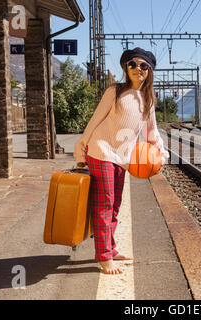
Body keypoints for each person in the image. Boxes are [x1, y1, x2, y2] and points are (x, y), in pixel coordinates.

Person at [74, 47, 170, 274]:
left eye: (144, 66)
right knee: (105, 204)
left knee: (115, 205)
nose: (138, 69)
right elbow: (95, 121)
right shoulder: (115, 92)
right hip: (101, 151)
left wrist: (161, 156)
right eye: (133, 65)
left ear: (150, 71)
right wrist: (81, 150)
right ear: (126, 68)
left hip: (123, 158)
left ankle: (111, 247)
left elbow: (151, 133)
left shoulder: (148, 99)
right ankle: (104, 256)